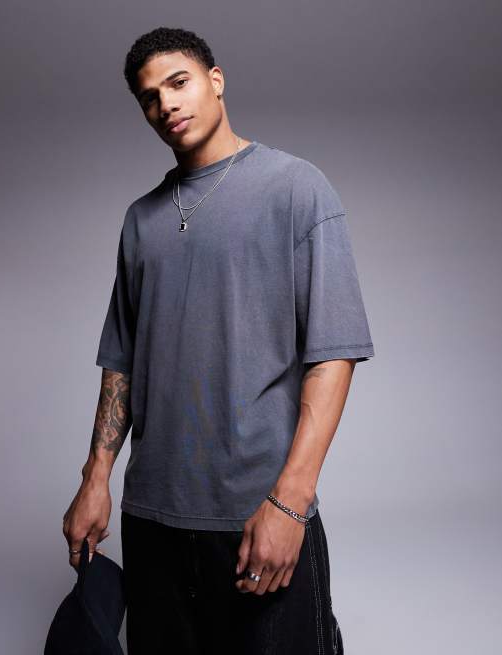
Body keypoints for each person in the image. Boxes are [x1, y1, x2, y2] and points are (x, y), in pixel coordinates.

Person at [62, 25, 375, 655]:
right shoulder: (140, 219)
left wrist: (290, 504)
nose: (167, 105)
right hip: (151, 520)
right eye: (150, 98)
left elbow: (333, 354)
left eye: (178, 83)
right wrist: (96, 478)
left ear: (216, 80)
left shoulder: (296, 188)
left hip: (256, 514)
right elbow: (122, 361)